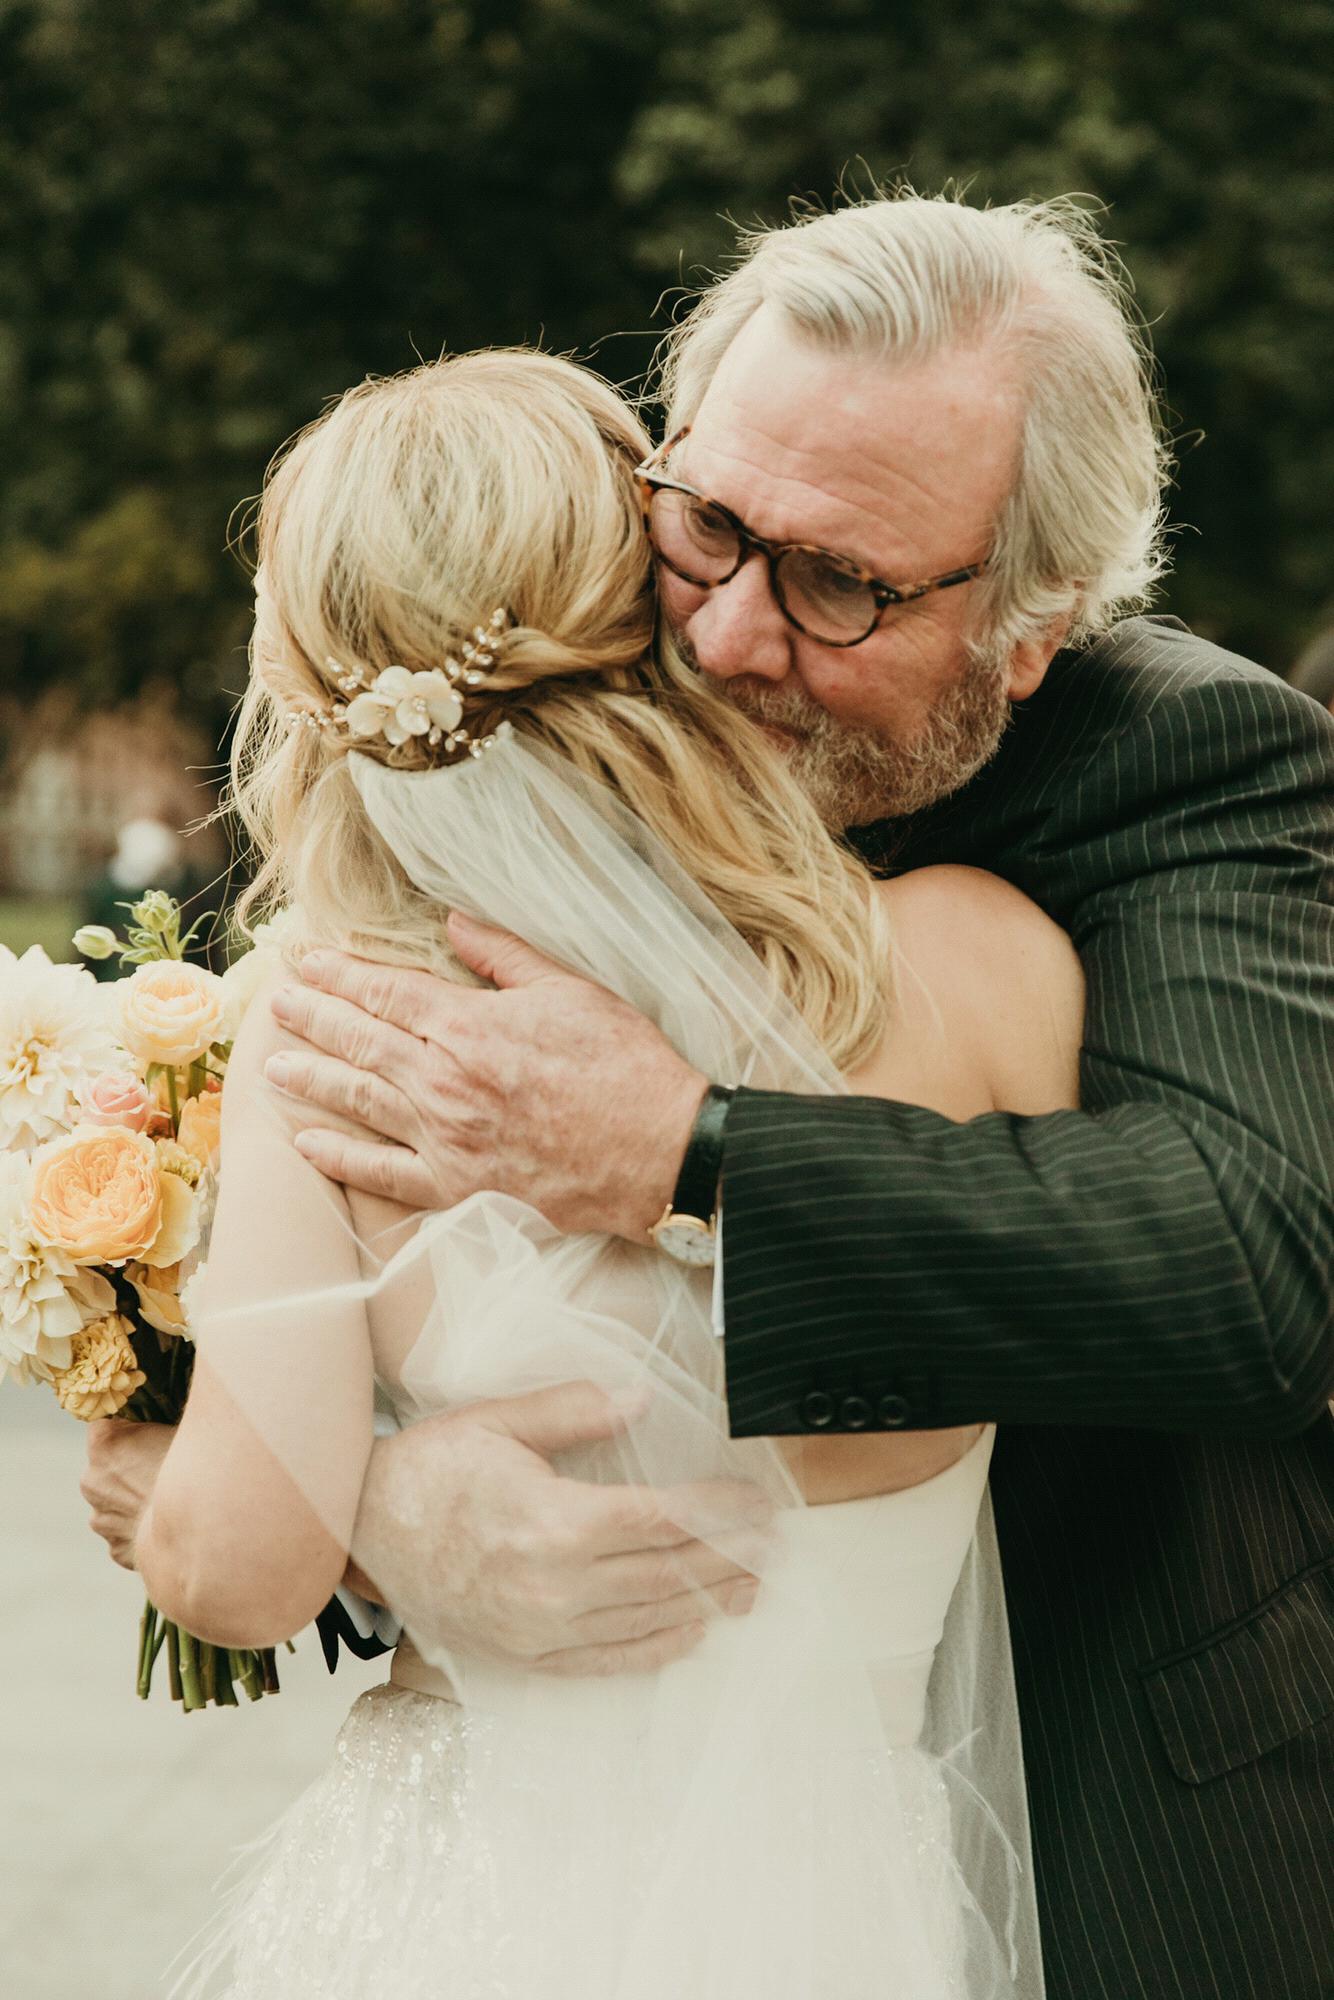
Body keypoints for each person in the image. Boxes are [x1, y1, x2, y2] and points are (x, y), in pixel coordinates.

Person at [84, 193, 1334, 1998]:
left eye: (842, 583)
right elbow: (282, 1444)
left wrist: (688, 1147)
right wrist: (387, 1509)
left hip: (1115, 1810)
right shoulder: (463, 889)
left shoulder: (1181, 770)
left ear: (1035, 622)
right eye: (708, 525)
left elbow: (1260, 1270)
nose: (730, 638)